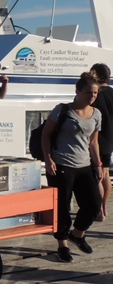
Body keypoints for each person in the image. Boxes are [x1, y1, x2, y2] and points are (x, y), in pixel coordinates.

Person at [41, 72, 103, 263]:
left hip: (84, 164)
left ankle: (77, 234)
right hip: (62, 164)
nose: (91, 96)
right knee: (62, 207)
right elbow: (46, 135)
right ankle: (62, 245)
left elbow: (93, 142)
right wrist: (48, 159)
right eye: (88, 93)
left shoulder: (96, 114)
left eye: (94, 93)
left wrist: (98, 164)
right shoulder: (62, 110)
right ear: (77, 92)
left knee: (93, 204)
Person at [91, 63, 113, 221]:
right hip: (110, 140)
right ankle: (105, 208)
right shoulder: (112, 93)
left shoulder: (95, 94)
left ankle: (99, 210)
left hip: (97, 140)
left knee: (97, 176)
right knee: (105, 174)